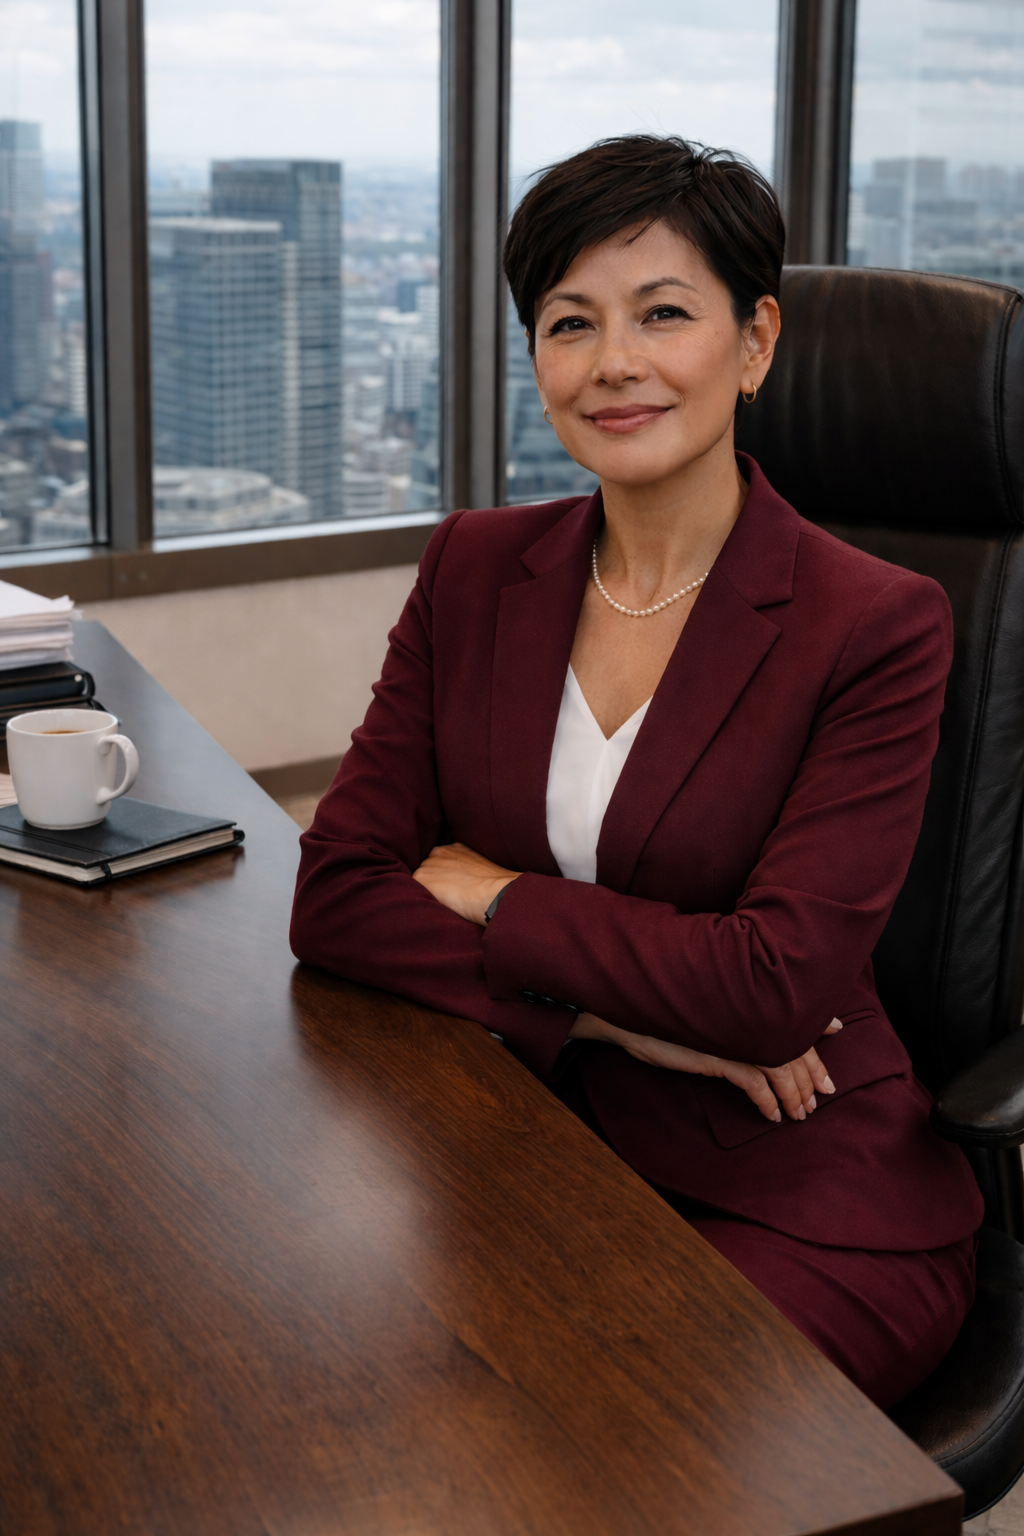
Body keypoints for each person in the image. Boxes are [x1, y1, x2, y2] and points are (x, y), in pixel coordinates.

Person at [291, 135, 983, 1408]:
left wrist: (488, 892)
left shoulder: (876, 623)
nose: (612, 363)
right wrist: (610, 1014)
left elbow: (772, 995)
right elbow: (334, 894)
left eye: (662, 313)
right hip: (526, 1136)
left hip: (798, 1181)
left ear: (756, 341)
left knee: (597, 1446)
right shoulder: (473, 568)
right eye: (569, 323)